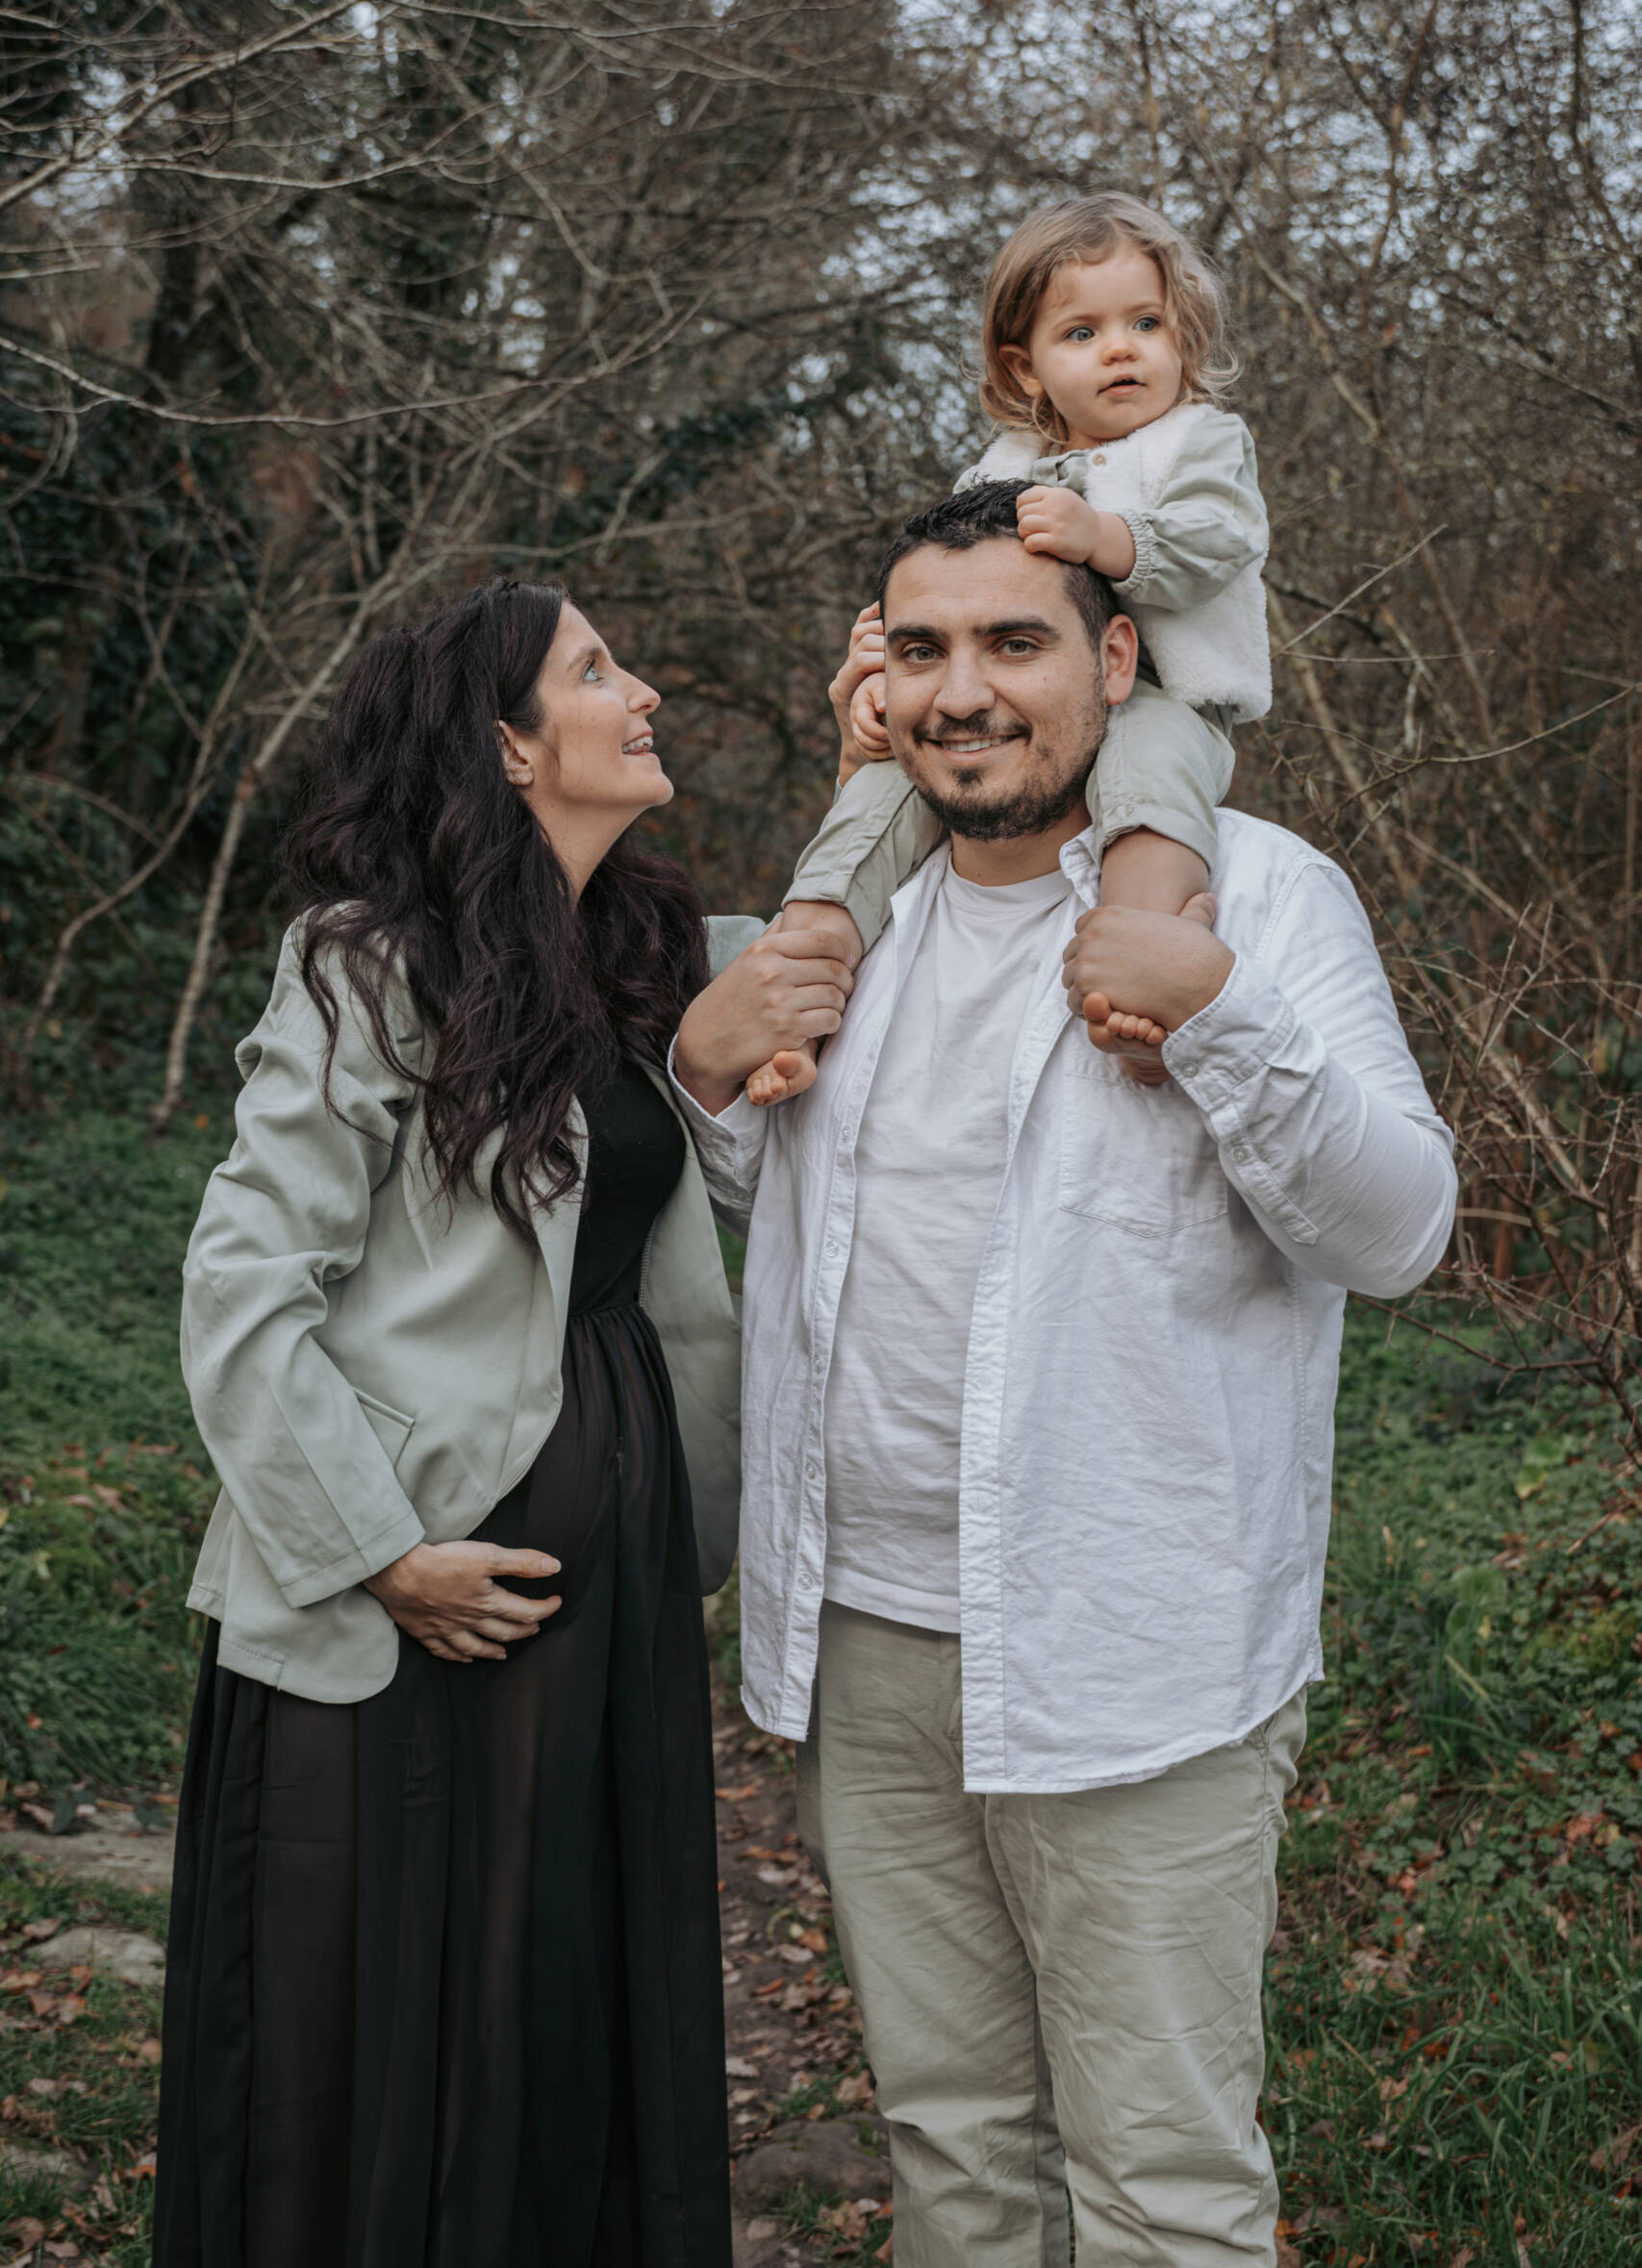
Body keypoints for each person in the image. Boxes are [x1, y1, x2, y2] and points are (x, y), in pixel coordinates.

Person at [669, 487, 1457, 2266]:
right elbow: (757, 1219)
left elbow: (1399, 1231)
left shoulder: (1257, 897)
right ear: (877, 678)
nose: (966, 691)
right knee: (953, 2153)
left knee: (1161, 2182)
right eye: (923, 647)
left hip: (1130, 1652)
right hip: (865, 1649)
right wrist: (698, 1079)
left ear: (1113, 659)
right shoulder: (838, 927)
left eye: (1014, 643)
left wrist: (1216, 1015)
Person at [152, 580, 854, 2268]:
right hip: (401, 1603)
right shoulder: (366, 967)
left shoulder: (646, 960)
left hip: (600, 1609)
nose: (643, 690)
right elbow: (244, 1294)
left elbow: (854, 931)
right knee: (386, 2012)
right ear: (506, 743)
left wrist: (871, 758)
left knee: (556, 1994)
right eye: (598, 670)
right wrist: (382, 1553)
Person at [745, 190, 1271, 1103]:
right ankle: (807, 966)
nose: (1120, 347)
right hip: (1012, 701)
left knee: (1145, 796)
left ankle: (1144, 984)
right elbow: (944, 586)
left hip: (1166, 696)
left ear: (1181, 337)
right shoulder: (998, 466)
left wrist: (1105, 537)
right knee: (884, 789)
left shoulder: (1199, 440)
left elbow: (1219, 541)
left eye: (1146, 322)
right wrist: (883, 665)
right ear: (1023, 370)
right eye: (1082, 332)